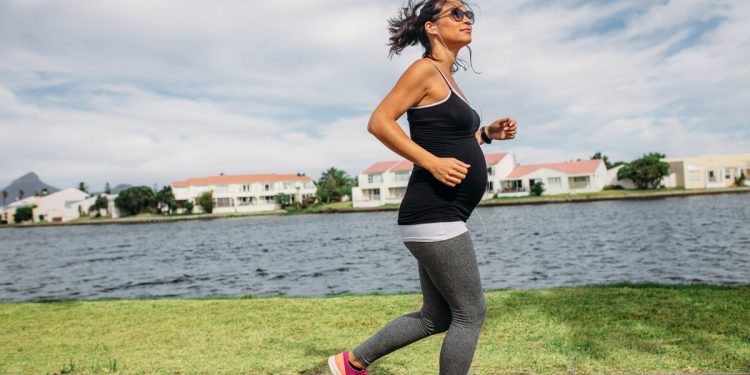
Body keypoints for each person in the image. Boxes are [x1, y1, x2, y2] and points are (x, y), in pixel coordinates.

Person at [328, 1, 517, 374]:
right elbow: (380, 121)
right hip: (435, 213)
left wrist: (486, 134)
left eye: (470, 15)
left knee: (436, 315)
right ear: (431, 27)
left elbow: (450, 140)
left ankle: (350, 363)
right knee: (471, 312)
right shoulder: (423, 70)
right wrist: (429, 162)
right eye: (456, 14)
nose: (467, 20)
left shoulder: (448, 78)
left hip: (436, 215)